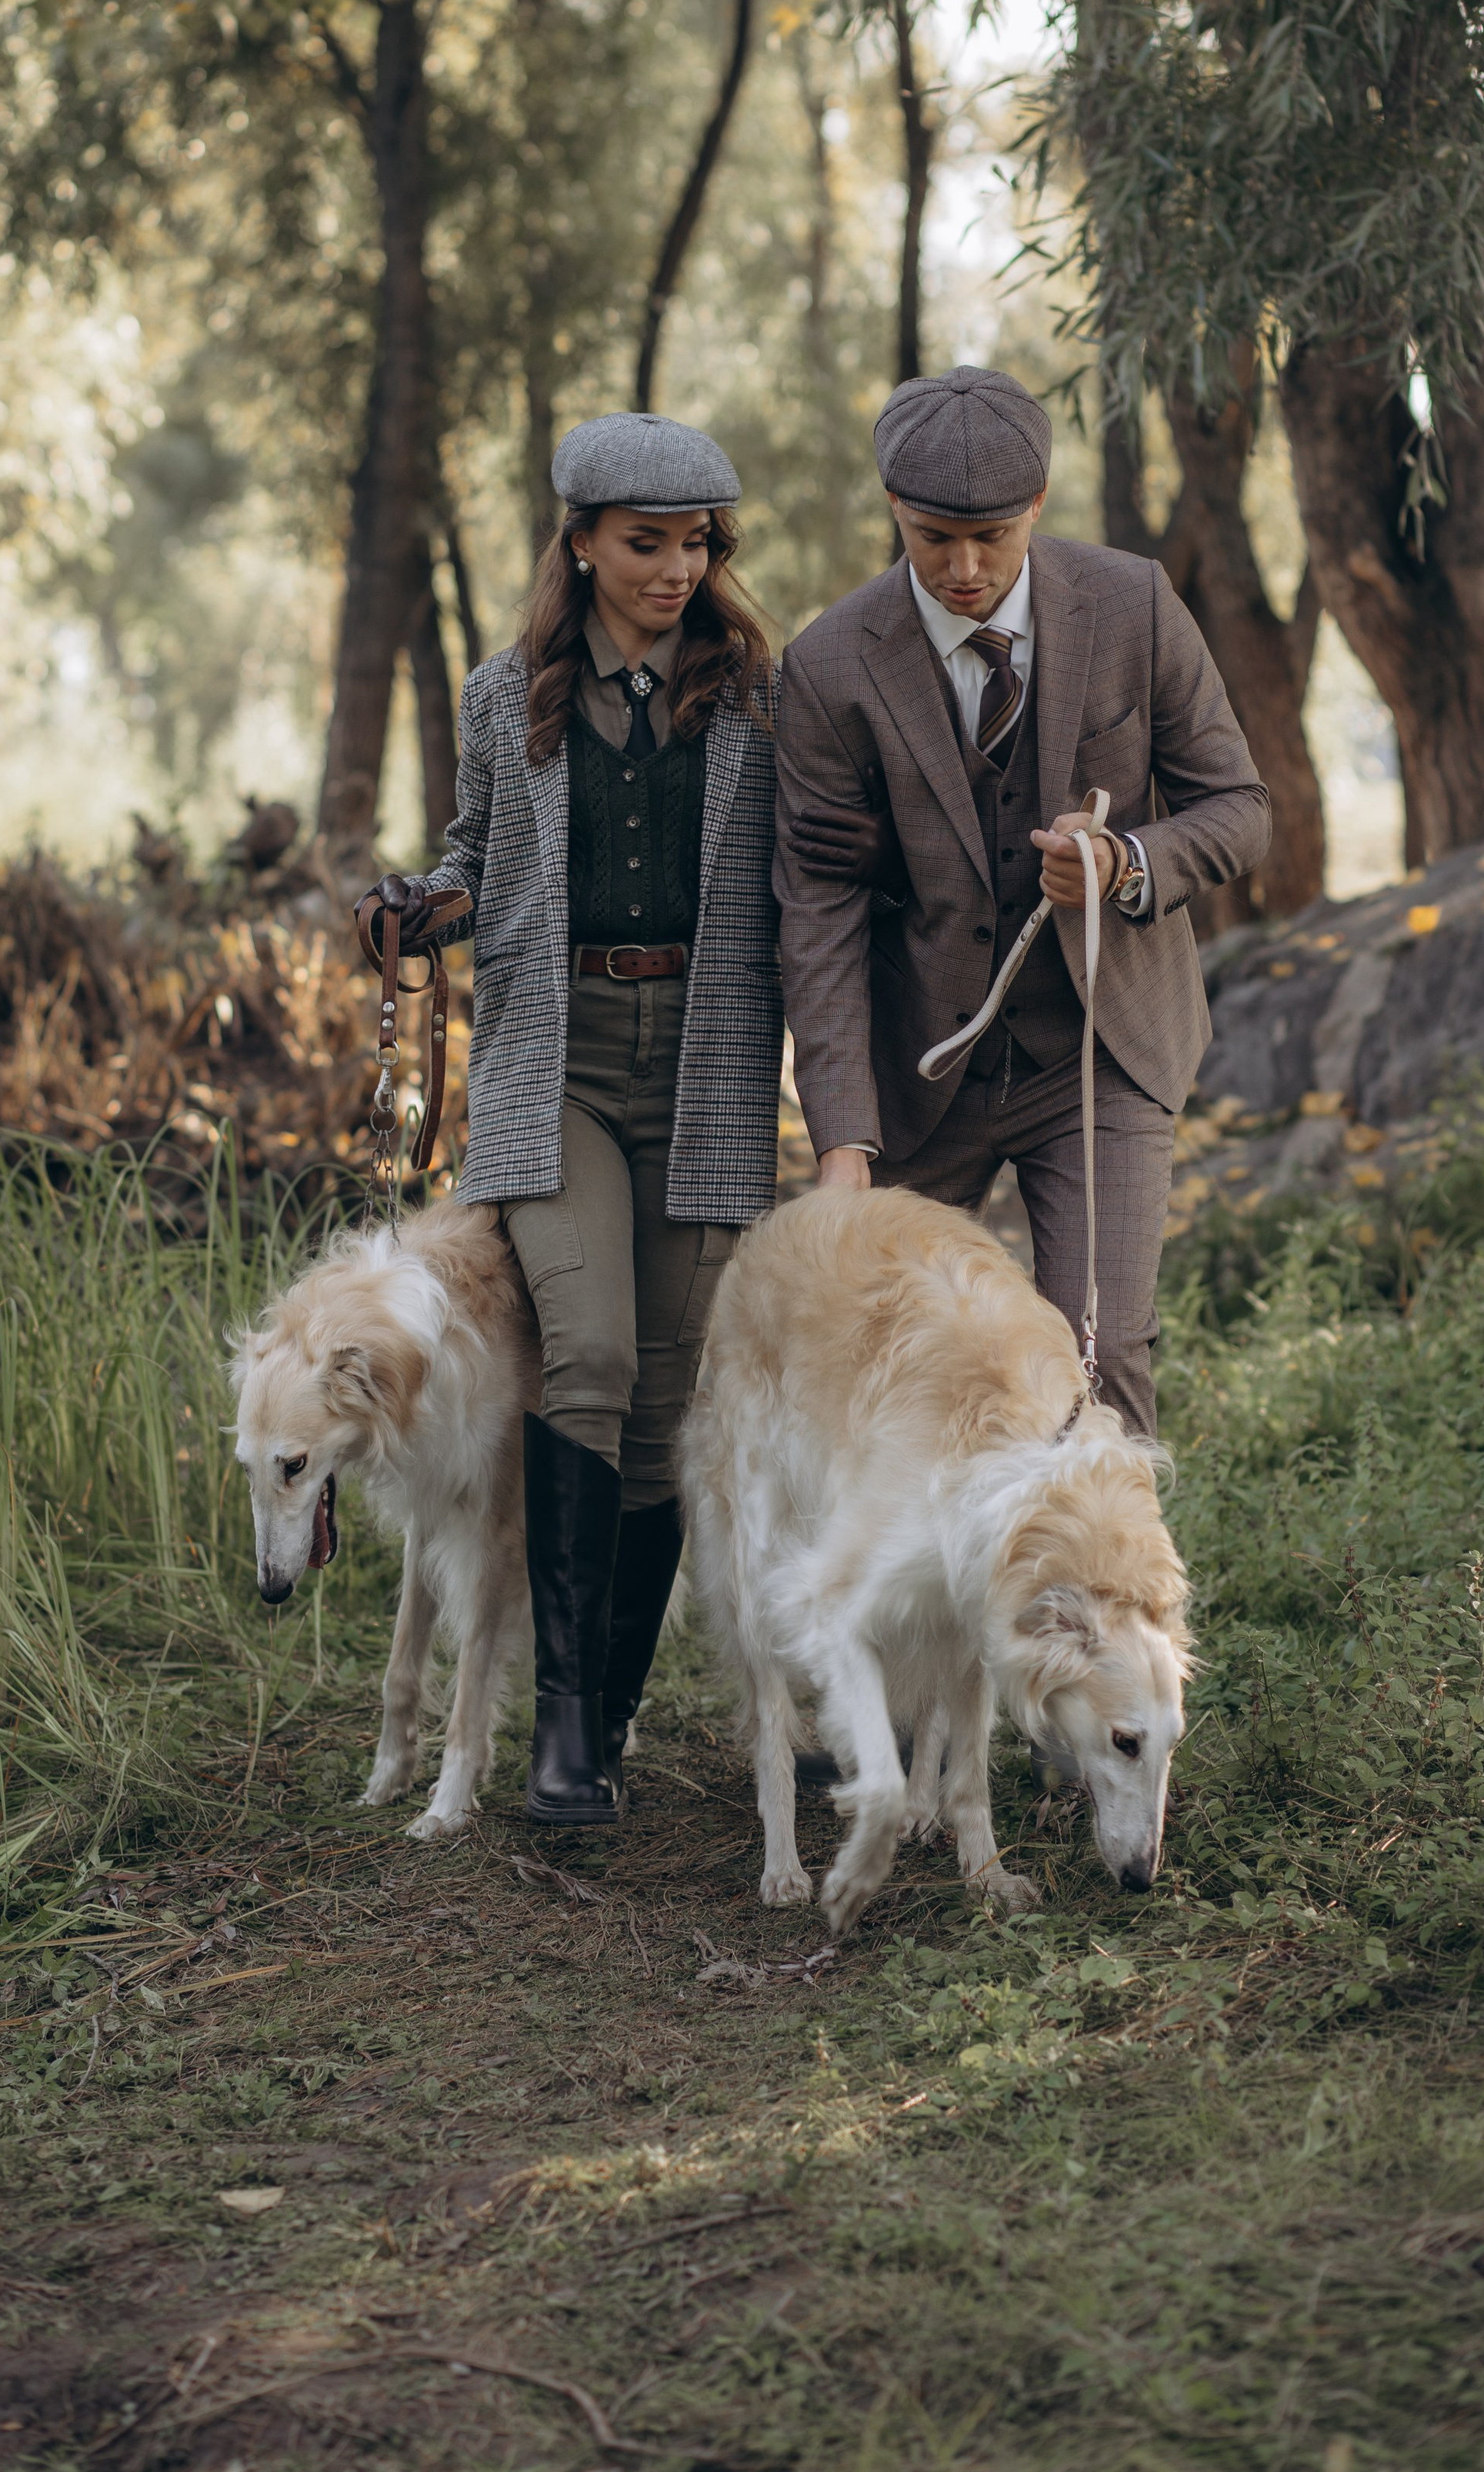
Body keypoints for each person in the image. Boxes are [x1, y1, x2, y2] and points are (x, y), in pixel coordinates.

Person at [360, 412, 780, 1826]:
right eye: (646, 544)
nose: (677, 569)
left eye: (697, 543)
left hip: (712, 1059)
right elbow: (477, 851)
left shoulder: (760, 697)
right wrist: (425, 901)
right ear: (583, 544)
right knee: (588, 1352)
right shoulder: (504, 695)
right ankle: (560, 1729)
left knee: (667, 1398)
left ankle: (605, 1725)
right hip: (558, 1061)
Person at [774, 365, 1271, 1439]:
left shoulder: (1134, 604)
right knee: (896, 1366)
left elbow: (1238, 809)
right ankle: (937, 1600)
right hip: (920, 1074)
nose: (962, 568)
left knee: (1104, 1349)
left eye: (991, 537)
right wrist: (843, 1146)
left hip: (1102, 1046)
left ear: (1038, 507)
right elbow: (818, 920)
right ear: (894, 512)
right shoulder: (824, 667)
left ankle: (1116, 1600)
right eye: (931, 537)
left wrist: (1125, 865)